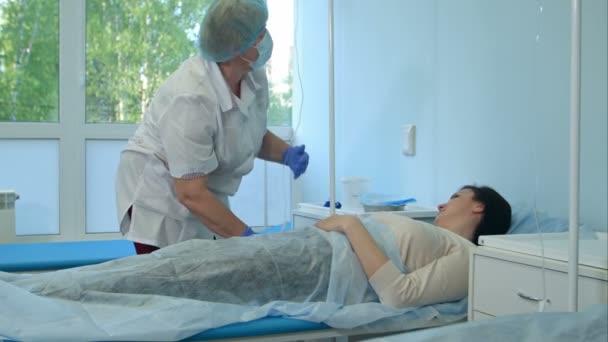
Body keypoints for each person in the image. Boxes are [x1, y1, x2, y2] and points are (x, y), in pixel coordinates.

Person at [11, 185, 511, 310]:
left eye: (456, 196)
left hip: (317, 268)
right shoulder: (436, 234)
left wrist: (353, 226)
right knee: (181, 262)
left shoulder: (467, 256)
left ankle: (36, 297)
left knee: (181, 279)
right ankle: (27, 290)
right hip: (305, 250)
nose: (445, 200)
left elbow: (399, 294)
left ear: (479, 209)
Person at [114, 0, 309, 254]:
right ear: (235, 46)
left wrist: (285, 153)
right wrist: (248, 239)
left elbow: (248, 132)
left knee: (209, 268)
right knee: (171, 279)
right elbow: (191, 193)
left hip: (202, 188)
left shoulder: (252, 74)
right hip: (161, 196)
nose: (266, 39)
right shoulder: (191, 98)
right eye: (259, 35)